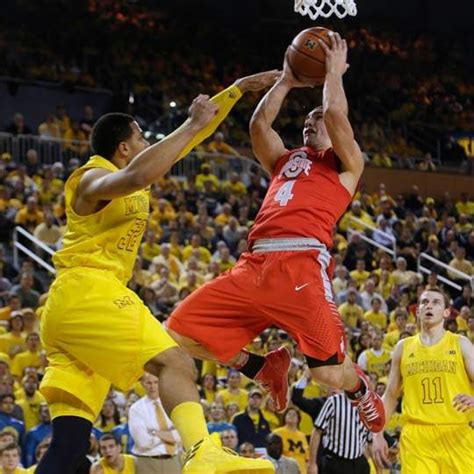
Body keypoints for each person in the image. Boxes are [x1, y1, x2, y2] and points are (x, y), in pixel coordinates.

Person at [35, 70, 280, 474]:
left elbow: (191, 138)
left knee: (69, 445)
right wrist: (190, 123)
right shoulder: (90, 176)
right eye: (142, 138)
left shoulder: (135, 170)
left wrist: (237, 90)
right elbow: (140, 173)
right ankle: (201, 453)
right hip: (87, 290)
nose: (149, 144)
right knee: (177, 364)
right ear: (123, 146)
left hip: (70, 315)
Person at [167, 32, 385, 432]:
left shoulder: (346, 165)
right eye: (305, 120)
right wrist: (286, 79)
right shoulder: (285, 160)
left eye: (315, 120)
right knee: (178, 332)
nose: (309, 123)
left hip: (301, 264)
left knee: (327, 376)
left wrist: (333, 73)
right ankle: (263, 366)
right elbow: (259, 124)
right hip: (255, 265)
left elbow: (336, 117)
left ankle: (361, 392)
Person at [373, 288, 474, 473]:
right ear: (418, 311)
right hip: (417, 437)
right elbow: (390, 396)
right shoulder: (403, 347)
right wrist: (377, 434)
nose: (429, 305)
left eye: (436, 302)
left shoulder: (460, 344)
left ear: (446, 312)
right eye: (424, 302)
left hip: (457, 433)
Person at [309, 389, 372, 474]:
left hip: (358, 463)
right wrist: (312, 463)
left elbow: (370, 442)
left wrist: (379, 470)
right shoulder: (333, 401)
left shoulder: (368, 407)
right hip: (335, 461)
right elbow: (317, 431)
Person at [128, 373, 181, 473]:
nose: (152, 386)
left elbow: (180, 435)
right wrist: (170, 436)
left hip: (173, 461)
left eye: (156, 382)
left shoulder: (171, 403)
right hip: (147, 462)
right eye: (149, 383)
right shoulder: (136, 409)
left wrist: (154, 433)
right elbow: (143, 442)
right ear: (142, 384)